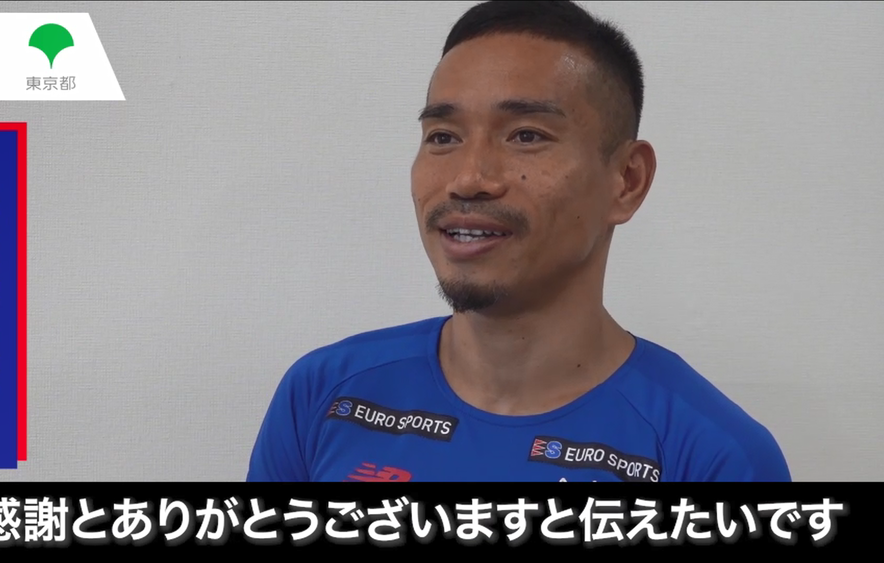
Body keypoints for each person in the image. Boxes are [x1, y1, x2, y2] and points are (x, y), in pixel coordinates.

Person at [247, 0, 791, 482]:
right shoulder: (324, 395)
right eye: (443, 137)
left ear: (626, 180)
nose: (468, 178)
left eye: (526, 135)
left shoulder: (713, 457)